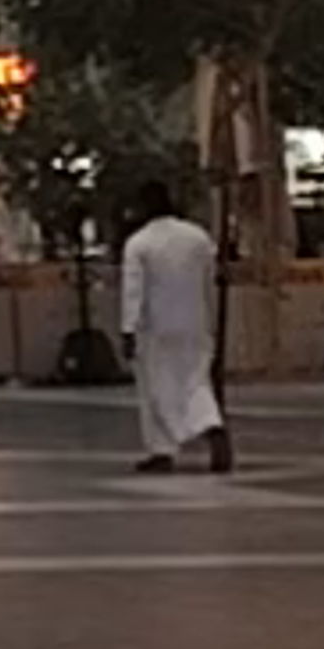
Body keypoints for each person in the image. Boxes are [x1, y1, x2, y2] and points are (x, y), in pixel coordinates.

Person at [118, 179, 230, 476]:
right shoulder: (198, 237)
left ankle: (161, 449)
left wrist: (128, 328)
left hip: (156, 328)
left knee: (155, 389)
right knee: (196, 382)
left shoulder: (139, 243)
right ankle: (212, 425)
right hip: (195, 323)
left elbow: (134, 291)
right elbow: (211, 280)